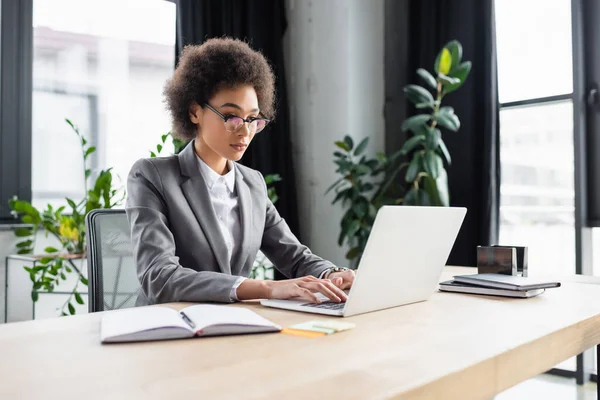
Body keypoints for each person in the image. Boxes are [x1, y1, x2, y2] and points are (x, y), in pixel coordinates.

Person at [126, 37, 355, 306]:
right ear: (194, 112)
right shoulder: (152, 176)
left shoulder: (252, 183)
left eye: (252, 119)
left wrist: (334, 274)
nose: (245, 131)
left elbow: (294, 257)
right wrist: (266, 288)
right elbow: (159, 278)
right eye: (231, 117)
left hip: (233, 328)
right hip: (169, 328)